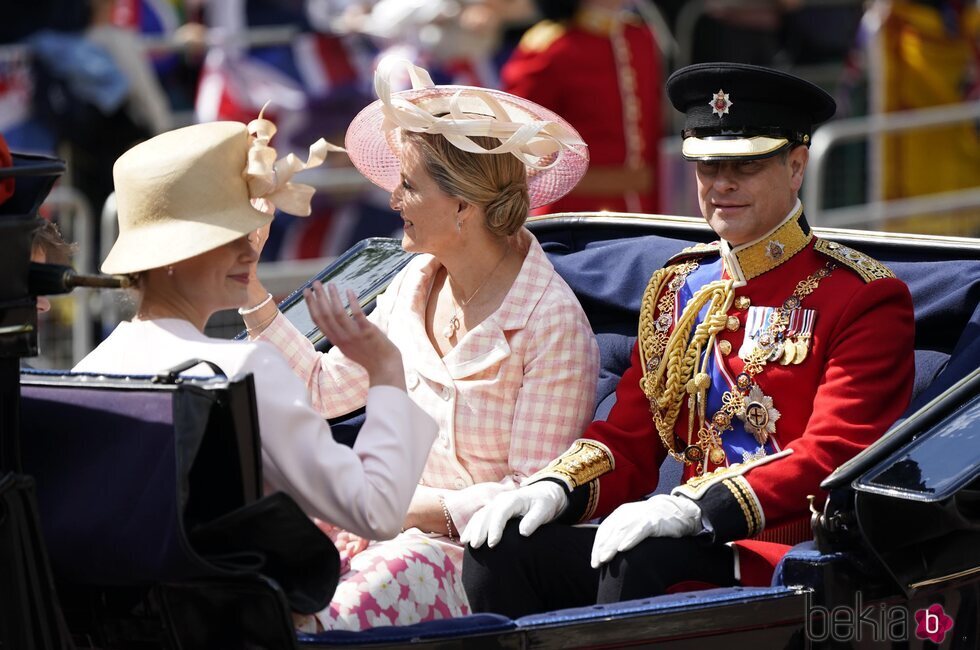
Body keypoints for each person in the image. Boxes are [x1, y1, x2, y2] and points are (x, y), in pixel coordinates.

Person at [461, 62, 916, 616]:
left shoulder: (862, 295)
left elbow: (832, 454)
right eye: (706, 165)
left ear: (796, 166)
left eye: (744, 166)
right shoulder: (680, 286)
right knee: (500, 549)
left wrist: (693, 507)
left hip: (778, 551)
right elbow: (631, 435)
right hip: (678, 536)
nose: (721, 183)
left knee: (639, 559)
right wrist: (556, 487)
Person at [239, 56, 599, 630]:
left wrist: (391, 509)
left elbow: (530, 495)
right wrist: (249, 283)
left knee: (323, 619)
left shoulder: (551, 321)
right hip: (379, 526)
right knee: (252, 578)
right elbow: (321, 388)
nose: (392, 201)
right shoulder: (411, 283)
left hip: (477, 562)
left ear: (463, 205)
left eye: (408, 185)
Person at [72, 116, 439, 545]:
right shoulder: (245, 370)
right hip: (234, 606)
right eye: (229, 235)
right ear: (169, 256)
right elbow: (375, 511)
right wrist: (387, 371)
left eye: (247, 232)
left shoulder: (92, 365)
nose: (250, 251)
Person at [500, 0, 662, 214]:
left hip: (644, 207)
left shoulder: (640, 37)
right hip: (574, 211)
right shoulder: (551, 47)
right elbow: (515, 136)